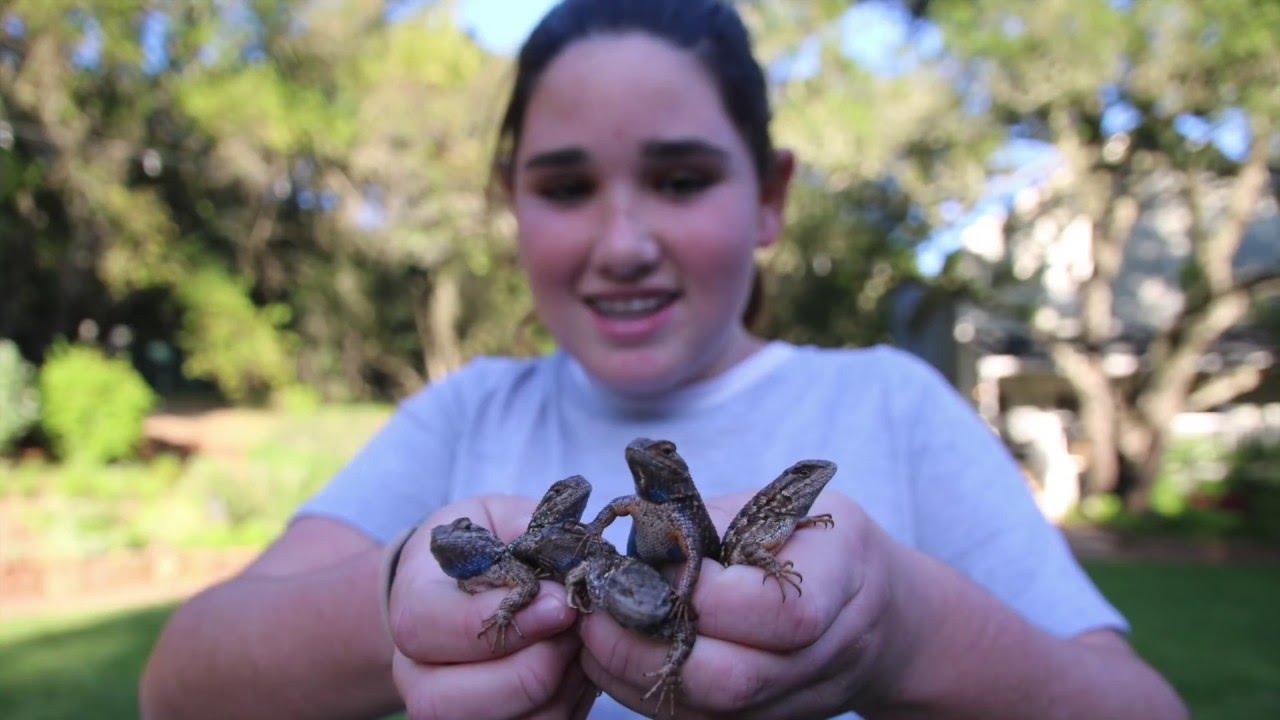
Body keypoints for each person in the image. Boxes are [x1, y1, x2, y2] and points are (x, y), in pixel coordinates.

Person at [139, 0, 1189, 718]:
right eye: (563, 188)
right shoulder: (464, 415)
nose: (623, 241)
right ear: (509, 202)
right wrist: (389, 607)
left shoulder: (892, 405)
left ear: (769, 196)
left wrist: (905, 633)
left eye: (681, 179)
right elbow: (178, 685)